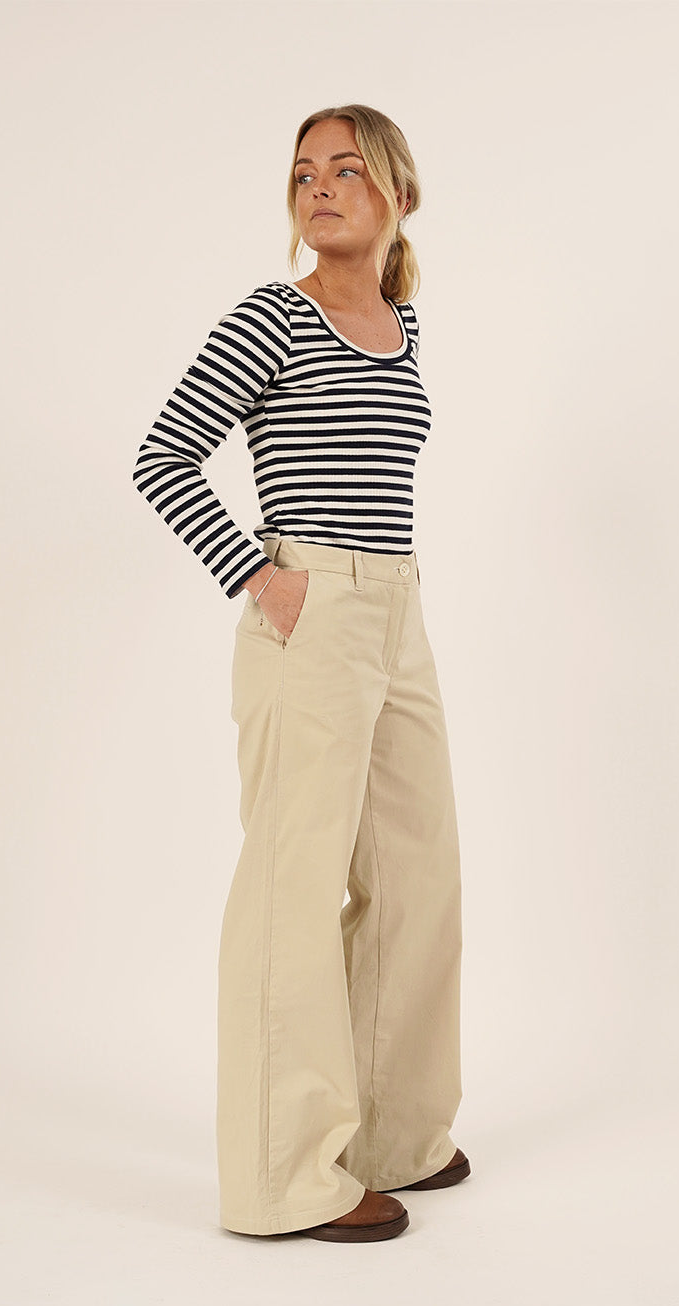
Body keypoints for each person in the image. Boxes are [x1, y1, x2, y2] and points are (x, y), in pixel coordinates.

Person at [132, 104, 469, 1242]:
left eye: (345, 171)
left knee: (417, 875)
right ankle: (282, 1180)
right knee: (294, 882)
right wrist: (258, 574)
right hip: (311, 607)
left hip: (400, 611)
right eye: (303, 173)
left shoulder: (404, 326)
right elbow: (164, 455)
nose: (318, 187)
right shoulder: (274, 316)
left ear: (397, 196)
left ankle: (392, 1134)